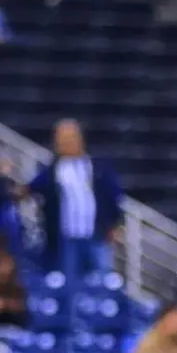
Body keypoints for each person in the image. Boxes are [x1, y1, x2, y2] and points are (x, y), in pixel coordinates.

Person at [26, 119, 123, 281]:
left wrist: (115, 224)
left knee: (102, 279)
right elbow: (32, 188)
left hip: (96, 235)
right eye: (60, 139)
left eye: (68, 138)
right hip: (66, 237)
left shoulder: (96, 167)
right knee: (69, 282)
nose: (63, 143)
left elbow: (113, 195)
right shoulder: (53, 170)